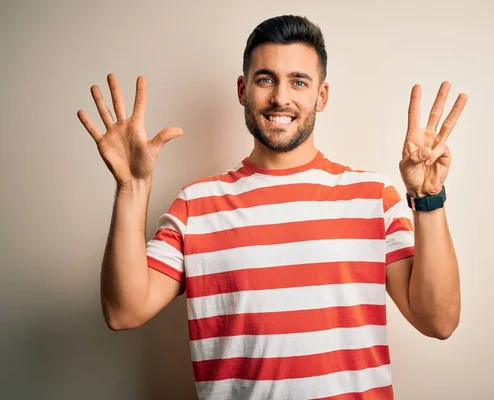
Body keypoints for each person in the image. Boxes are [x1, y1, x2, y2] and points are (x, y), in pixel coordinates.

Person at [77, 14, 466, 400]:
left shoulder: (373, 197)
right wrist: (132, 187)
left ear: (322, 95)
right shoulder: (196, 206)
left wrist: (428, 198)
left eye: (299, 81)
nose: (281, 97)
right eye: (266, 79)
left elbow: (439, 321)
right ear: (243, 89)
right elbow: (123, 311)